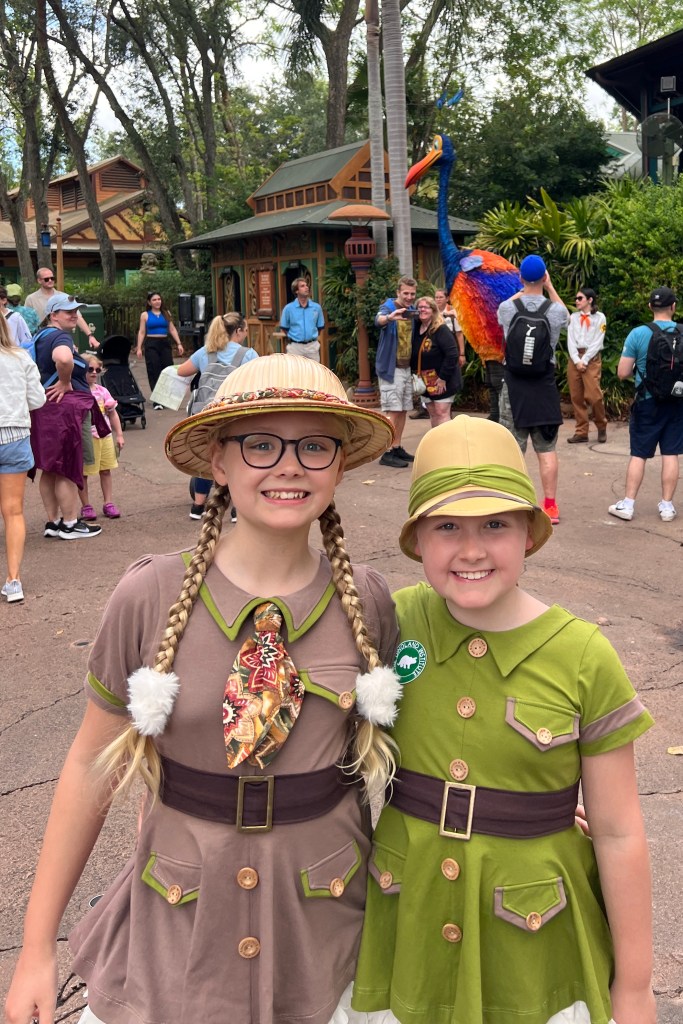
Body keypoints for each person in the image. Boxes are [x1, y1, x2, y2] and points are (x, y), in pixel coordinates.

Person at [4, 353, 404, 1024]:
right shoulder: (150, 594)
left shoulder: (367, 601)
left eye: (314, 446)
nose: (288, 466)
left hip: (325, 928)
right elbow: (90, 767)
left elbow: (412, 753)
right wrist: (36, 948)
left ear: (339, 466)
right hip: (178, 923)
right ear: (218, 462)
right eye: (259, 445)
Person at [352, 414, 655, 1024]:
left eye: (495, 524)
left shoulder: (583, 656)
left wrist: (636, 987)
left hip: (533, 941)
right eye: (446, 526)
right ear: (417, 540)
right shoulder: (389, 622)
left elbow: (619, 833)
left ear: (528, 535)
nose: (471, 550)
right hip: (406, 921)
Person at [497, 254, 569, 526]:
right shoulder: (555, 311)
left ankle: (513, 503)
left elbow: (503, 312)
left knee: (513, 448)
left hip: (514, 388)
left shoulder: (507, 308)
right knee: (546, 449)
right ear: (545, 276)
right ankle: (550, 506)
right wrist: (549, 288)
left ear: (520, 277)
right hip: (543, 387)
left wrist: (523, 289)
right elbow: (567, 318)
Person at [30, 295, 106, 540]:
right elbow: (63, 359)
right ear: (53, 315)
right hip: (63, 411)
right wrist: (64, 381)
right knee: (66, 467)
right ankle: (70, 524)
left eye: (76, 311)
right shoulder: (61, 337)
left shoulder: (40, 336)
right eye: (68, 312)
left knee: (49, 468)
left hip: (44, 407)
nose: (74, 315)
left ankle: (53, 522)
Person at [609, 286, 683, 523]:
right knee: (671, 453)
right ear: (673, 307)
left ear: (650, 306)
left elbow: (622, 372)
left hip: (647, 401)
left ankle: (628, 504)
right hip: (676, 402)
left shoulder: (638, 334)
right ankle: (667, 507)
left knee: (639, 454)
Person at [176, 312, 258, 520]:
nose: (245, 334)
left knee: (208, 456)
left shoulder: (206, 352)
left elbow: (182, 371)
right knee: (238, 455)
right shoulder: (247, 354)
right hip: (235, 412)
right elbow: (259, 379)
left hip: (208, 412)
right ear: (238, 331)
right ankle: (237, 509)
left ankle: (197, 506)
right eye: (245, 330)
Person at [0, 313, 46, 603]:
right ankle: (13, 580)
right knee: (13, 511)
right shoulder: (20, 358)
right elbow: (37, 399)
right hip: (14, 435)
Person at [375, 276, 418, 467]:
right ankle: (386, 452)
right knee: (393, 410)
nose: (409, 297)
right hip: (391, 369)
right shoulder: (388, 307)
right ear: (398, 292)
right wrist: (389, 318)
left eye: (412, 294)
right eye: (405, 293)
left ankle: (396, 446)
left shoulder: (412, 310)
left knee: (402, 410)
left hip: (406, 367)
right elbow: (378, 320)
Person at [78, 354, 125, 521]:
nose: (94, 373)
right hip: (86, 438)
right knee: (83, 473)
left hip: (104, 436)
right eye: (90, 369)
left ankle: (108, 502)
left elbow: (112, 414)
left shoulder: (102, 391)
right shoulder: (77, 391)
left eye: (97, 370)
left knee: (106, 470)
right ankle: (86, 505)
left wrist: (119, 434)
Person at [411, 295, 461, 428]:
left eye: (426, 307)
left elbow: (452, 355)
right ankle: (436, 440)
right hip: (425, 380)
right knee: (433, 413)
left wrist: (443, 377)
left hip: (442, 379)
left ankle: (446, 440)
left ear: (433, 310)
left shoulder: (441, 329)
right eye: (419, 307)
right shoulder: (416, 329)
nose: (422, 310)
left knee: (441, 412)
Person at [566, 288, 608, 444]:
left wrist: (584, 360)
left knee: (594, 396)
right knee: (576, 396)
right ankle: (581, 431)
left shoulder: (600, 318)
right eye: (576, 298)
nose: (576, 301)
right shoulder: (573, 317)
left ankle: (601, 425)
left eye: (580, 298)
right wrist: (576, 360)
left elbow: (598, 341)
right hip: (575, 358)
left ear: (590, 300)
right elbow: (570, 340)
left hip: (591, 358)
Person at [136, 291, 184, 407]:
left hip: (164, 343)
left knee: (168, 370)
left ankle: (166, 397)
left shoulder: (166, 313)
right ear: (149, 302)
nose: (157, 301)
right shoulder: (145, 315)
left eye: (159, 299)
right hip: (151, 344)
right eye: (154, 300)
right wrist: (139, 348)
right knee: (154, 369)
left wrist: (179, 343)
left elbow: (172, 329)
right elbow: (142, 332)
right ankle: (157, 400)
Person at [24, 268, 98, 345]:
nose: (50, 280)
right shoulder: (31, 299)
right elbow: (27, 323)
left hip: (62, 338)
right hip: (42, 339)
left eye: (52, 278)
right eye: (46, 279)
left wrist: (90, 336)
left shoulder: (64, 297)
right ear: (39, 280)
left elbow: (78, 317)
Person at [279, 277, 325, 361]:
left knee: (313, 369)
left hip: (312, 347)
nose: (306, 287)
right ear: (296, 291)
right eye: (302, 286)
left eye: (306, 285)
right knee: (294, 369)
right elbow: (284, 328)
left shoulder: (316, 307)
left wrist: (311, 336)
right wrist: (295, 336)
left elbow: (320, 327)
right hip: (295, 347)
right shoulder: (288, 308)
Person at [434, 288, 466, 368]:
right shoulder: (432, 312)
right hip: (436, 350)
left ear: (447, 299)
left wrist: (462, 354)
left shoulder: (454, 312)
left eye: (441, 297)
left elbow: (459, 334)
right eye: (436, 297)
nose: (438, 299)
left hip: (452, 350)